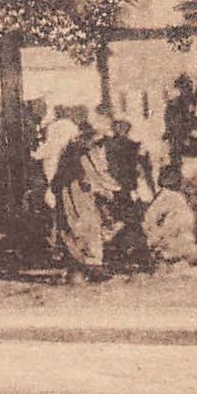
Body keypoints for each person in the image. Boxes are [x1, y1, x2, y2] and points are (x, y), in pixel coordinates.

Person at [49, 120, 117, 283]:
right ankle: (87, 266)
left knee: (86, 226)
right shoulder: (77, 150)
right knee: (81, 227)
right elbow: (87, 174)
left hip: (80, 194)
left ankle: (86, 266)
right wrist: (105, 188)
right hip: (74, 194)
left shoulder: (84, 151)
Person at [143, 165, 197, 266]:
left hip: (179, 239)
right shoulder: (166, 197)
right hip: (167, 240)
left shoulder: (175, 197)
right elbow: (149, 219)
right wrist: (157, 237)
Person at [164, 74, 197, 167]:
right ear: (179, 88)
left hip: (196, 143)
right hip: (179, 144)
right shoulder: (172, 106)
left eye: (188, 86)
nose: (186, 90)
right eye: (183, 87)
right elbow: (169, 125)